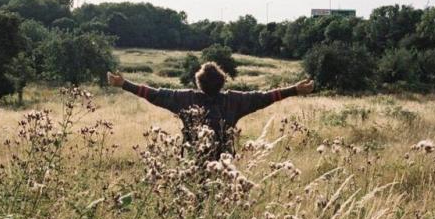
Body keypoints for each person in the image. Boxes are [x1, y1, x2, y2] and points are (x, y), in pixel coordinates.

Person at [107, 62, 314, 157]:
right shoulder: (234, 101)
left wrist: (124, 84)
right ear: (222, 82)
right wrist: (294, 89)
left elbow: (153, 93)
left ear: (199, 83)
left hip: (192, 163)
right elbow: (265, 97)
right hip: (223, 164)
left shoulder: (185, 99)